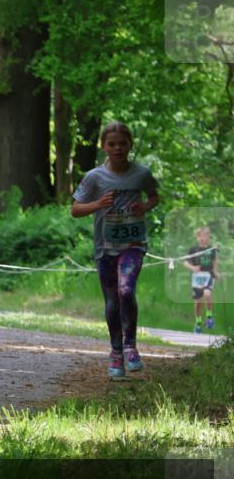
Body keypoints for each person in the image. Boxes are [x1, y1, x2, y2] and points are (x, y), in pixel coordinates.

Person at [71, 121, 160, 379]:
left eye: (122, 143)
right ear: (104, 147)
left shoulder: (141, 174)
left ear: (130, 145)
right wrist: (98, 203)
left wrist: (145, 206)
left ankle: (131, 347)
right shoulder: (95, 177)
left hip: (133, 244)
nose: (118, 148)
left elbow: (154, 196)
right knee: (111, 301)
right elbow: (75, 209)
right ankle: (116, 352)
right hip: (105, 248)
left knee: (126, 289)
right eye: (112, 144)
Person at [184, 226, 220, 333]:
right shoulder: (193, 249)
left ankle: (209, 317)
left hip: (208, 275)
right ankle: (198, 322)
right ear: (197, 237)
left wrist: (216, 272)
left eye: (205, 236)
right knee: (198, 302)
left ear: (208, 237)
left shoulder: (211, 249)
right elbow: (185, 262)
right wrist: (193, 268)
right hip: (197, 277)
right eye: (200, 236)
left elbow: (215, 261)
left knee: (208, 293)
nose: (203, 238)